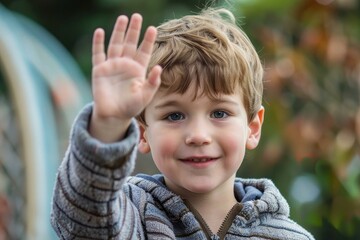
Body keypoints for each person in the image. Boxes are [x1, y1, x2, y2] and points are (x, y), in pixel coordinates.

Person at [50, 7, 315, 240]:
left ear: (252, 128)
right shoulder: (128, 215)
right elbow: (81, 222)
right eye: (174, 116)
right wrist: (107, 126)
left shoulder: (288, 236)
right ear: (142, 133)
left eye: (219, 113)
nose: (198, 135)